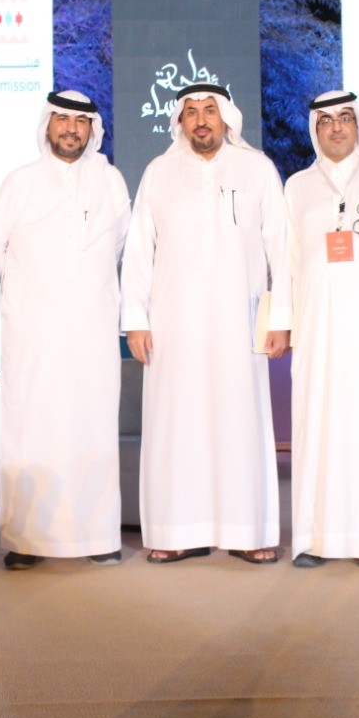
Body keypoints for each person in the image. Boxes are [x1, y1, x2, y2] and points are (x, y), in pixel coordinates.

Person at [121, 82, 290, 565]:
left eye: (210, 110)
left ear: (226, 117)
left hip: (241, 321)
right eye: (191, 111)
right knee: (178, 425)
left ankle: (248, 531)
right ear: (180, 120)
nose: (201, 120)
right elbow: (139, 250)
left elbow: (281, 246)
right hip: (173, 324)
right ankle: (176, 531)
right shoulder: (159, 172)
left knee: (241, 422)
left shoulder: (257, 168)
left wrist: (283, 316)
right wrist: (135, 319)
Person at [0, 91, 131, 570]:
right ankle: (27, 539)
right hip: (34, 331)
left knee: (92, 425)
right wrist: (28, 293)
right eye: (62, 119)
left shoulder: (110, 181)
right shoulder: (20, 181)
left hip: (91, 328)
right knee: (32, 426)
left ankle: (97, 534)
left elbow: (120, 244)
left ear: (92, 130)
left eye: (80, 121)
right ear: (47, 125)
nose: (70, 128)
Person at [284, 91, 359, 569]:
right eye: (327, 120)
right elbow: (288, 262)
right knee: (316, 427)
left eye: (345, 118)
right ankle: (316, 539)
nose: (336, 128)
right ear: (315, 129)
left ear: (358, 126)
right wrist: (285, 325)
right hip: (315, 329)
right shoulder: (297, 186)